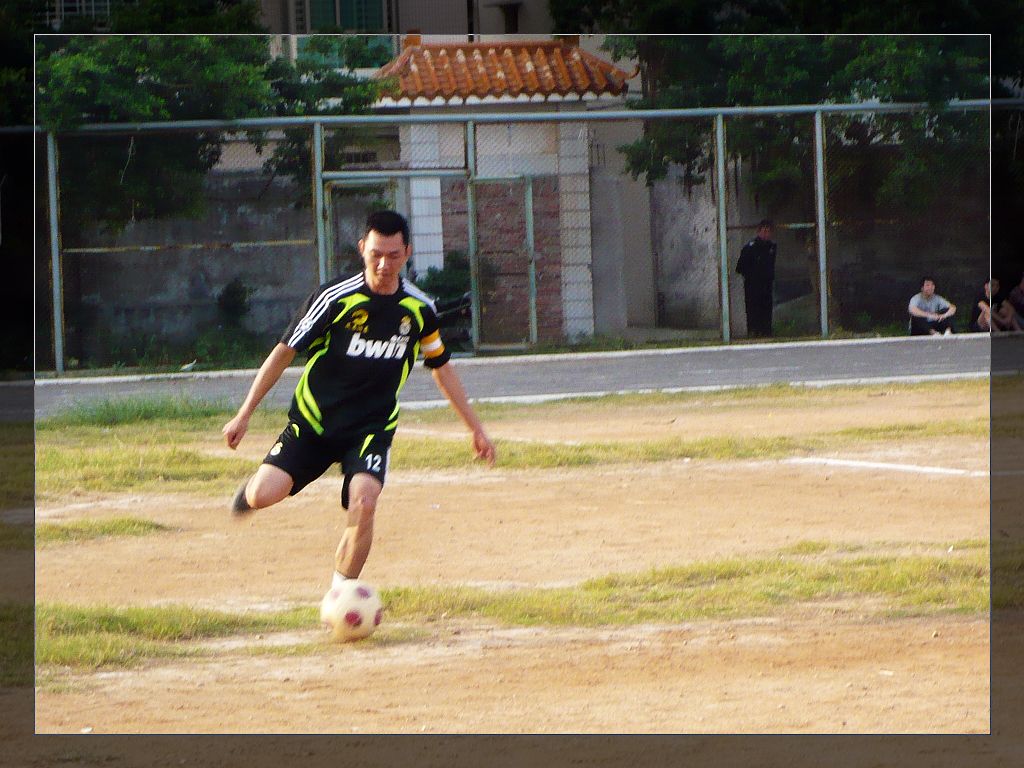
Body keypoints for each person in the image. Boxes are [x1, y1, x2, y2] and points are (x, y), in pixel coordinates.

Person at [222, 210, 496, 589]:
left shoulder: (420, 309)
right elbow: (284, 352)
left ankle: (343, 595)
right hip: (314, 423)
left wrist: (475, 428)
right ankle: (250, 493)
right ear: (362, 248)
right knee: (263, 494)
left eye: (394, 255)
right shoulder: (334, 298)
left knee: (364, 502)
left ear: (408, 253)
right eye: (376, 254)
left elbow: (441, 366)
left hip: (371, 427)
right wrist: (244, 413)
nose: (384, 265)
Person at [736, 219, 777, 338]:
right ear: (758, 232)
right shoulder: (750, 247)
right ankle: (754, 331)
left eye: (768, 231)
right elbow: (740, 267)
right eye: (764, 231)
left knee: (766, 307)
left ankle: (766, 331)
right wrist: (751, 275)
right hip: (753, 284)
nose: (766, 234)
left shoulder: (771, 247)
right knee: (753, 308)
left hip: (766, 283)